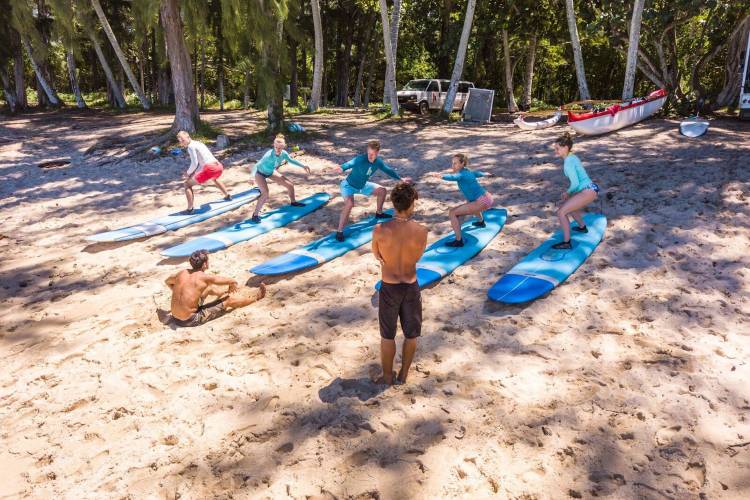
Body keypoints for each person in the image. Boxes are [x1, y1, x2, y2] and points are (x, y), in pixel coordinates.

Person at [371, 182, 428, 385]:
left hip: (389, 286)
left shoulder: (379, 229)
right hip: (411, 285)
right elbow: (417, 257)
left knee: (387, 336)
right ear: (412, 204)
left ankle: (387, 376)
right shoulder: (422, 231)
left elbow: (377, 255)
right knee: (411, 335)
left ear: (393, 203)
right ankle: (403, 374)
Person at [165, 250, 266, 327]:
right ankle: (256, 297)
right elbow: (230, 280)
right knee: (228, 300)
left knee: (208, 289)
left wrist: (178, 293)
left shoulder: (182, 273)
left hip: (175, 318)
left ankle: (221, 294)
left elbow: (167, 281)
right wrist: (232, 285)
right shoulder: (203, 277)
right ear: (204, 264)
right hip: (190, 320)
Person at [335, 139, 405, 242]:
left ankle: (379, 213)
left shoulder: (378, 162)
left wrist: (400, 179)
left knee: (382, 191)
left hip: (362, 185)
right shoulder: (361, 159)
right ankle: (339, 231)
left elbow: (388, 170)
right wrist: (341, 168)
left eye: (372, 154)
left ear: (377, 153)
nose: (370, 156)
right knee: (349, 204)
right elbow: (349, 164)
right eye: (368, 153)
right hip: (348, 186)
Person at [551, 132, 599, 249]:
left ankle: (567, 242)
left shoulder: (568, 162)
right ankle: (582, 227)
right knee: (569, 207)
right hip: (590, 189)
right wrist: (569, 194)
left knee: (561, 212)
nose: (555, 151)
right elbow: (578, 182)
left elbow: (575, 183)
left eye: (557, 148)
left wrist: (567, 192)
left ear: (566, 147)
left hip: (587, 190)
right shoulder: (572, 156)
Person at [249, 133, 312, 223]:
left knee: (290, 185)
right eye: (276, 147)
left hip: (270, 172)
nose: (278, 150)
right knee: (265, 193)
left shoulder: (284, 154)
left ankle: (293, 202)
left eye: (280, 148)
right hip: (260, 174)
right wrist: (252, 176)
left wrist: (303, 165)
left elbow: (291, 160)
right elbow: (256, 165)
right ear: (274, 145)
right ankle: (255, 215)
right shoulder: (269, 155)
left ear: (284, 147)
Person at [437, 153, 495, 247]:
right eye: (452, 163)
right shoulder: (468, 171)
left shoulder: (461, 174)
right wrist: (486, 174)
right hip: (487, 198)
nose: (453, 166)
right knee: (470, 202)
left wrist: (441, 176)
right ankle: (481, 222)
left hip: (481, 201)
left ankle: (458, 241)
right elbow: (477, 173)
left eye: (455, 163)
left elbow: (453, 177)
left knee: (452, 213)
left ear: (462, 163)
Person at [177, 131, 231, 214]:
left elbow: (194, 163)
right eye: (180, 141)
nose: (182, 143)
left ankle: (190, 209)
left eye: (183, 140)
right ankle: (227, 196)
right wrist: (193, 174)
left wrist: (188, 173)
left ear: (188, 137)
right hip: (218, 166)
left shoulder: (190, 147)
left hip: (210, 168)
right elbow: (202, 163)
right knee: (214, 178)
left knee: (187, 184)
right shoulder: (198, 143)